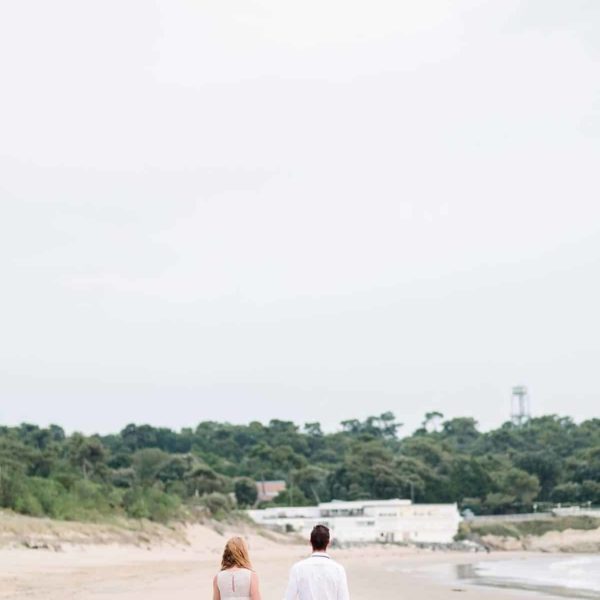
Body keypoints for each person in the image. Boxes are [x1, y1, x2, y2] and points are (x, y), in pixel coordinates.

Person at [283, 525, 350, 600]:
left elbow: (288, 597)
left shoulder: (298, 568)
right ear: (328, 543)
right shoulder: (339, 570)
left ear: (310, 542)